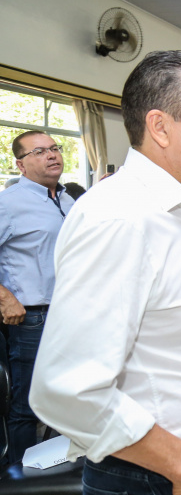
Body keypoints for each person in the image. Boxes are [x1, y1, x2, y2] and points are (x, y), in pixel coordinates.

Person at [30, 50, 181, 495]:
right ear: (160, 126)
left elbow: (175, 345)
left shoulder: (174, 210)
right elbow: (67, 390)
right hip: (151, 477)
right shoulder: (122, 217)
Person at [0, 130, 75, 464]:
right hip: (32, 318)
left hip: (70, 315)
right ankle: (20, 488)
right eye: (40, 151)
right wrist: (4, 297)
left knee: (66, 399)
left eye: (55, 148)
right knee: (27, 405)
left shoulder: (68, 200)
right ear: (21, 163)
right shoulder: (9, 204)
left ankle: (51, 474)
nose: (52, 155)